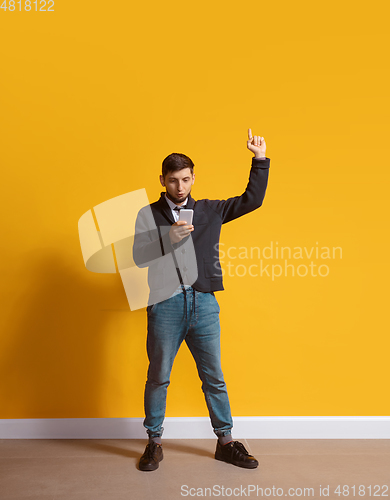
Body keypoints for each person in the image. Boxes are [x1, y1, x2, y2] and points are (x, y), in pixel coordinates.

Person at [132, 128, 270, 471]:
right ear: (162, 179)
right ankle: (154, 442)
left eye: (187, 179)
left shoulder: (210, 210)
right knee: (159, 375)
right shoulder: (148, 214)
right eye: (174, 180)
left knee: (214, 377)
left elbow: (251, 200)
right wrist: (168, 238)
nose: (180, 187)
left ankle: (225, 442)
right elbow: (138, 256)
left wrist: (259, 160)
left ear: (194, 178)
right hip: (164, 304)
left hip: (204, 303)